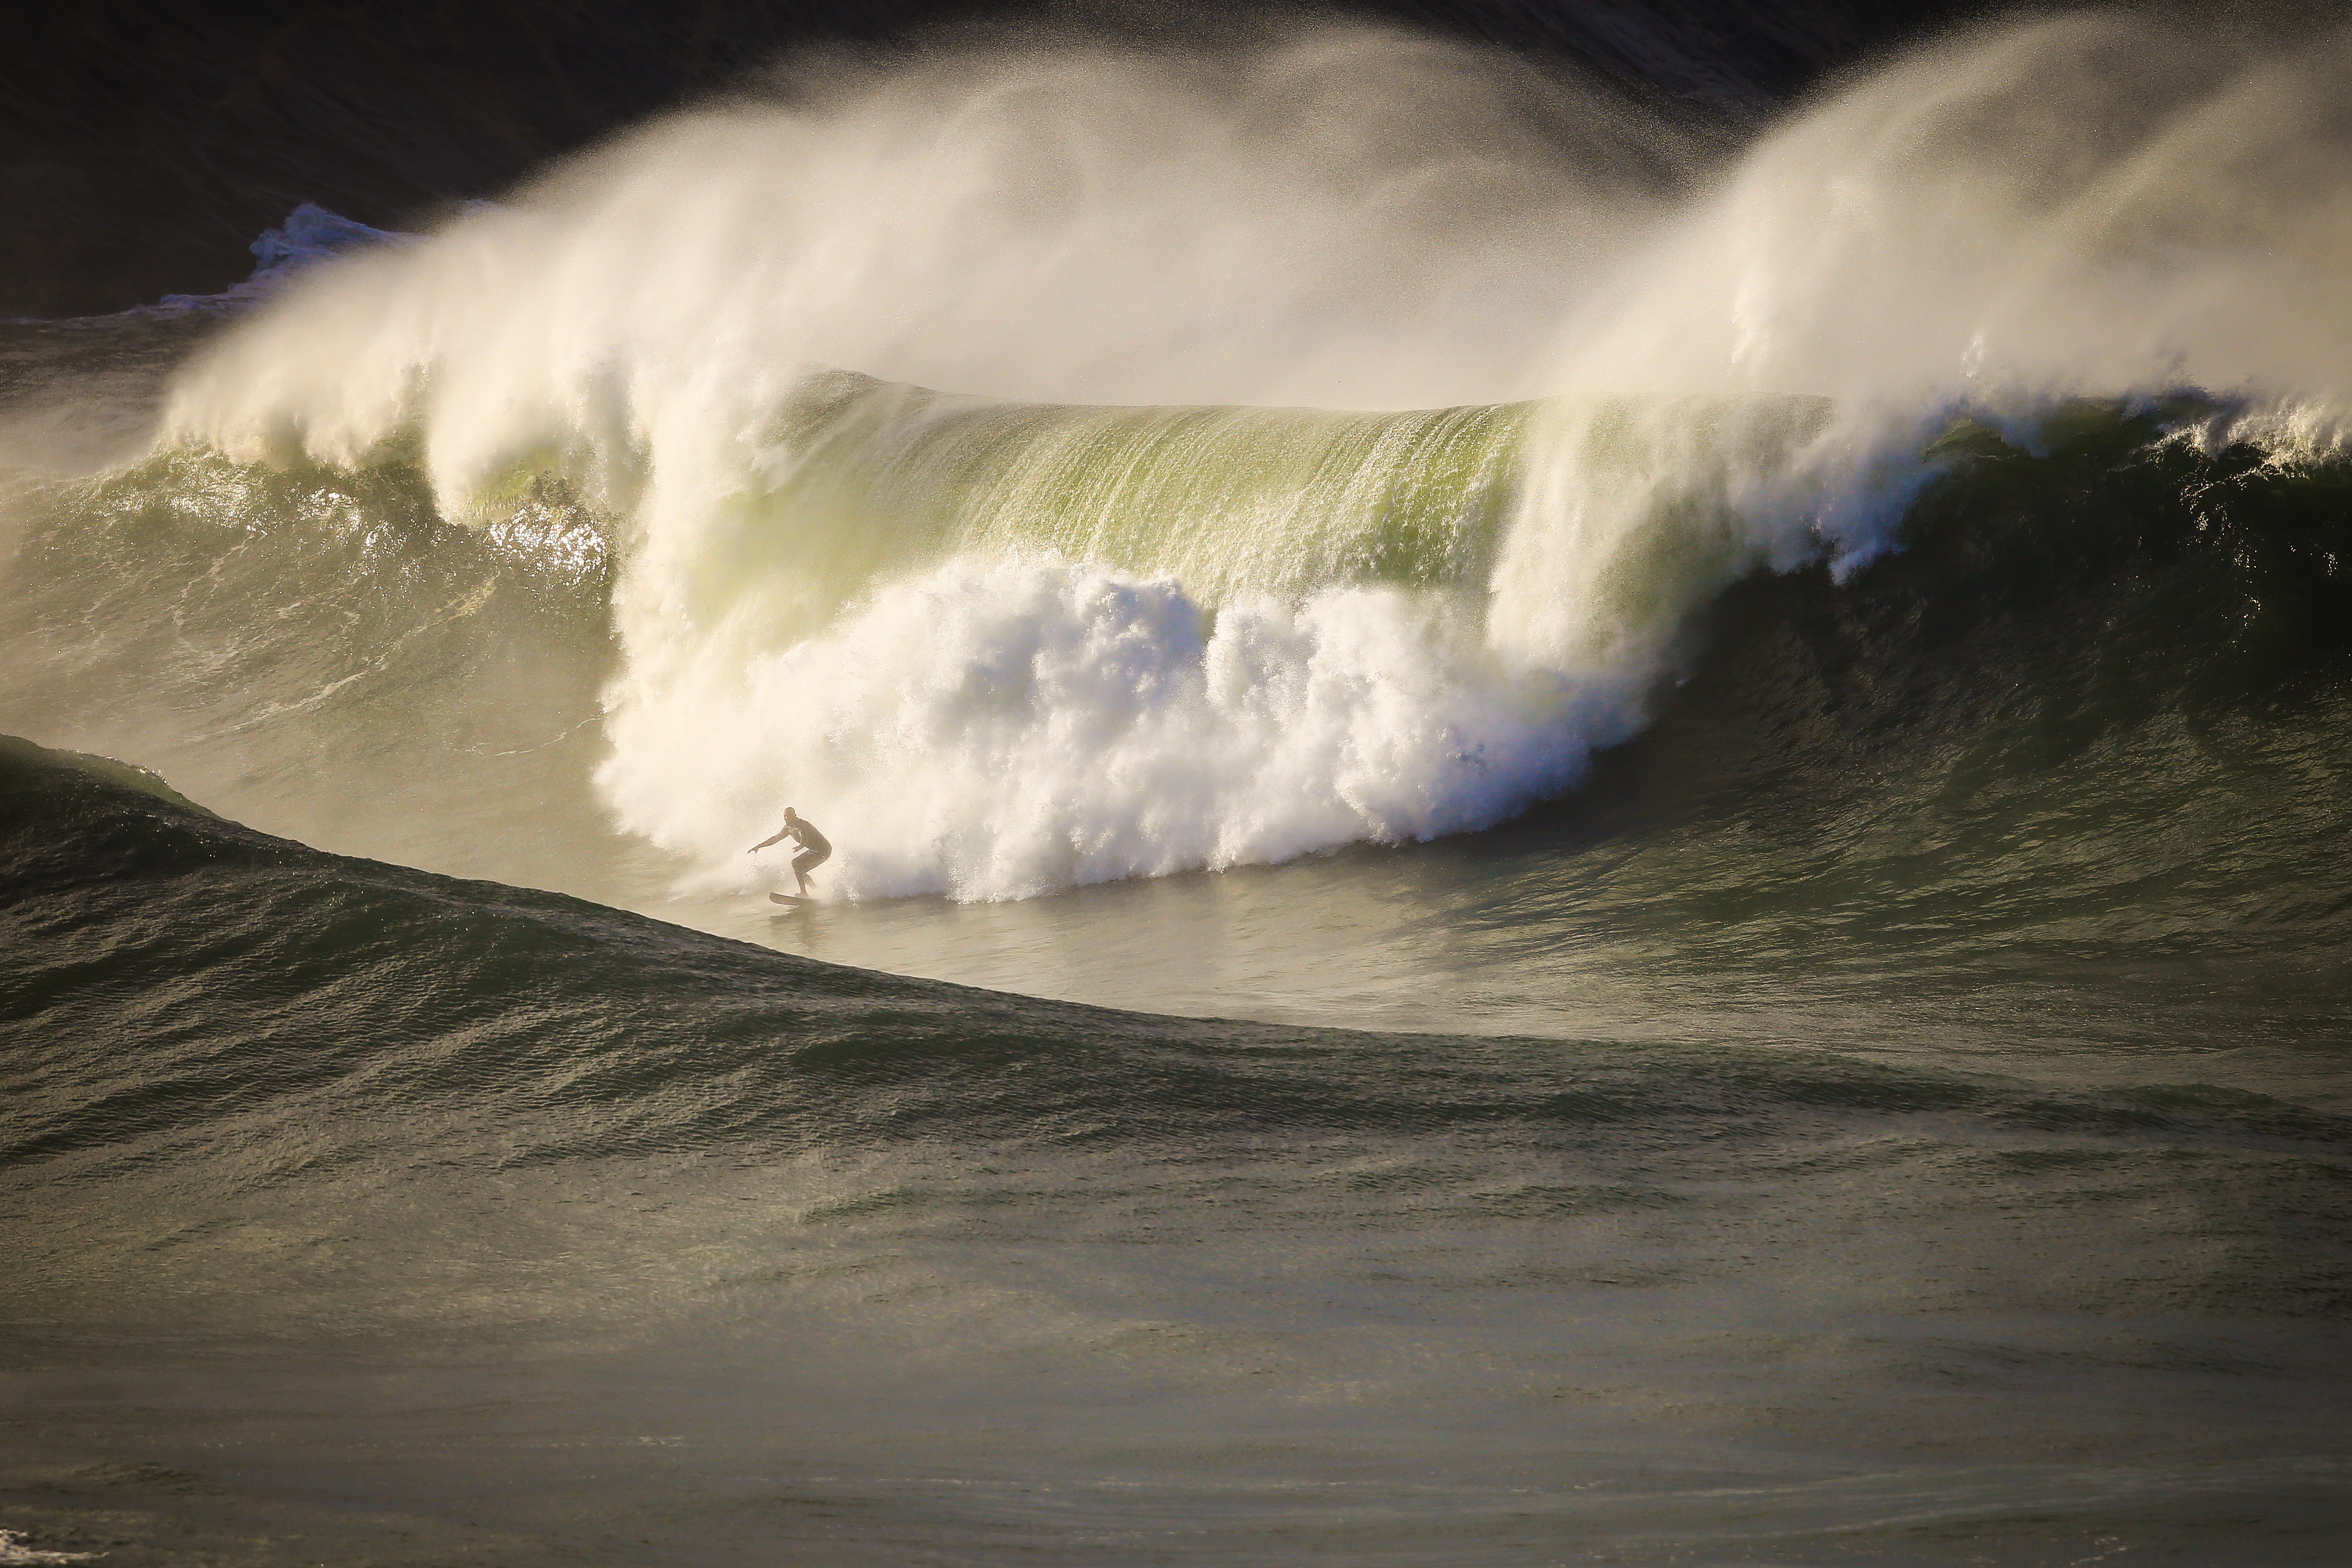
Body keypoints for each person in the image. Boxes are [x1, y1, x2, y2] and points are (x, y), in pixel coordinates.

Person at [748, 806, 831, 898]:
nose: (787, 819)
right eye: (785, 817)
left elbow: (804, 836)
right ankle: (817, 891)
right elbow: (776, 839)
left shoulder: (800, 825)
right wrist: (759, 846)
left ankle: (804, 893)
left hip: (824, 850)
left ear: (795, 816)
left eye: (789, 816)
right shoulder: (788, 829)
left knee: (796, 863)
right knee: (800, 871)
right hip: (816, 851)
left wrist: (800, 846)